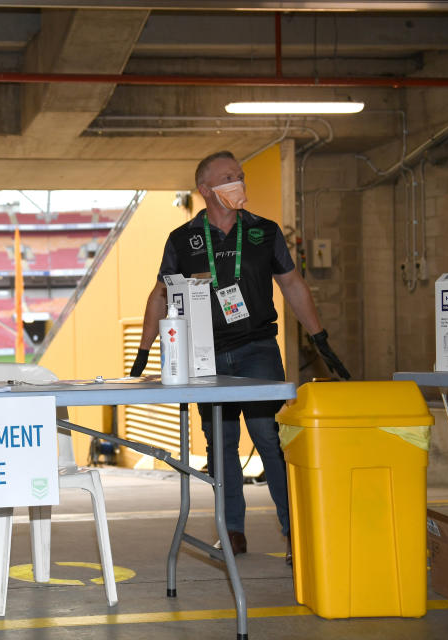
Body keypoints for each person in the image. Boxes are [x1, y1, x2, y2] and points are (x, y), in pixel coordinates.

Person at [130, 150, 350, 565]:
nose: (239, 182)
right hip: (204, 357)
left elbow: (293, 285)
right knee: (221, 445)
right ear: (206, 189)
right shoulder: (182, 240)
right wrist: (144, 351)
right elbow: (160, 293)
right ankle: (232, 531)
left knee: (271, 439)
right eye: (229, 176)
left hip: (258, 350)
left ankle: (294, 532)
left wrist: (320, 338)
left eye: (241, 175)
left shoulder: (263, 232)